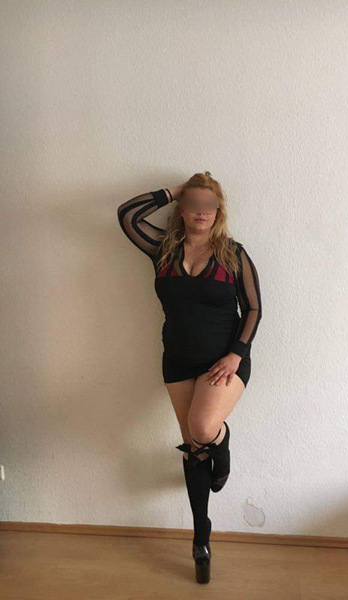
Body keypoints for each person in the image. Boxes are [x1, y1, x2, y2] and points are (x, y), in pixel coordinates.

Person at [117, 172, 262, 584]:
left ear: (219, 211)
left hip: (223, 362)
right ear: (182, 209)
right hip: (178, 361)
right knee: (195, 451)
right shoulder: (163, 250)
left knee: (202, 429)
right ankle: (201, 538)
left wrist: (237, 354)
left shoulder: (233, 254)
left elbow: (254, 309)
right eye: (194, 205)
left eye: (210, 206)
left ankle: (223, 444)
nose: (202, 212)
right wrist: (177, 191)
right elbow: (127, 216)